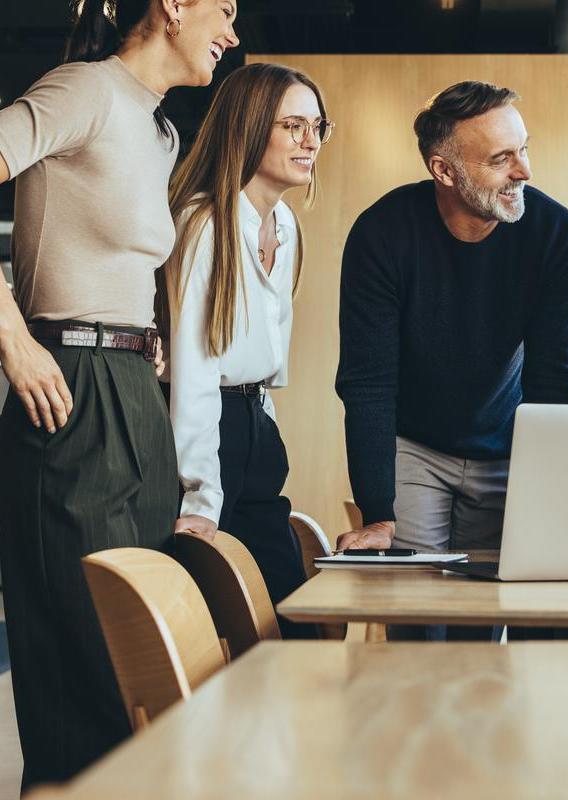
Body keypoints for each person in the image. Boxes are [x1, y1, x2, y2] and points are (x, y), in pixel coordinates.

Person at [0, 0, 238, 788]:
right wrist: (12, 339)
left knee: (140, 665)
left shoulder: (159, 129)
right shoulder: (84, 90)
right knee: (84, 673)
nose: (231, 34)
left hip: (135, 391)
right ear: (172, 7)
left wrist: (143, 340)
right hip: (67, 386)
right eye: (224, 10)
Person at [334, 81, 568, 639]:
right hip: (416, 449)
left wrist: (555, 495)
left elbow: (554, 376)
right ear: (444, 171)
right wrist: (379, 512)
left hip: (507, 444)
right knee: (419, 626)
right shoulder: (382, 233)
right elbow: (369, 383)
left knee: (489, 624)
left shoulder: (556, 235)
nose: (524, 170)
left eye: (524, 148)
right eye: (501, 159)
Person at [162, 63, 333, 639]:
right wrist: (202, 495)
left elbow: (266, 357)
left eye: (317, 126)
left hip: (256, 424)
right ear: (250, 126)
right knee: (210, 624)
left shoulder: (283, 224)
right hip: (210, 432)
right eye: (293, 125)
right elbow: (194, 370)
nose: (310, 141)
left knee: (289, 616)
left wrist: (266, 426)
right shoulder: (204, 223)